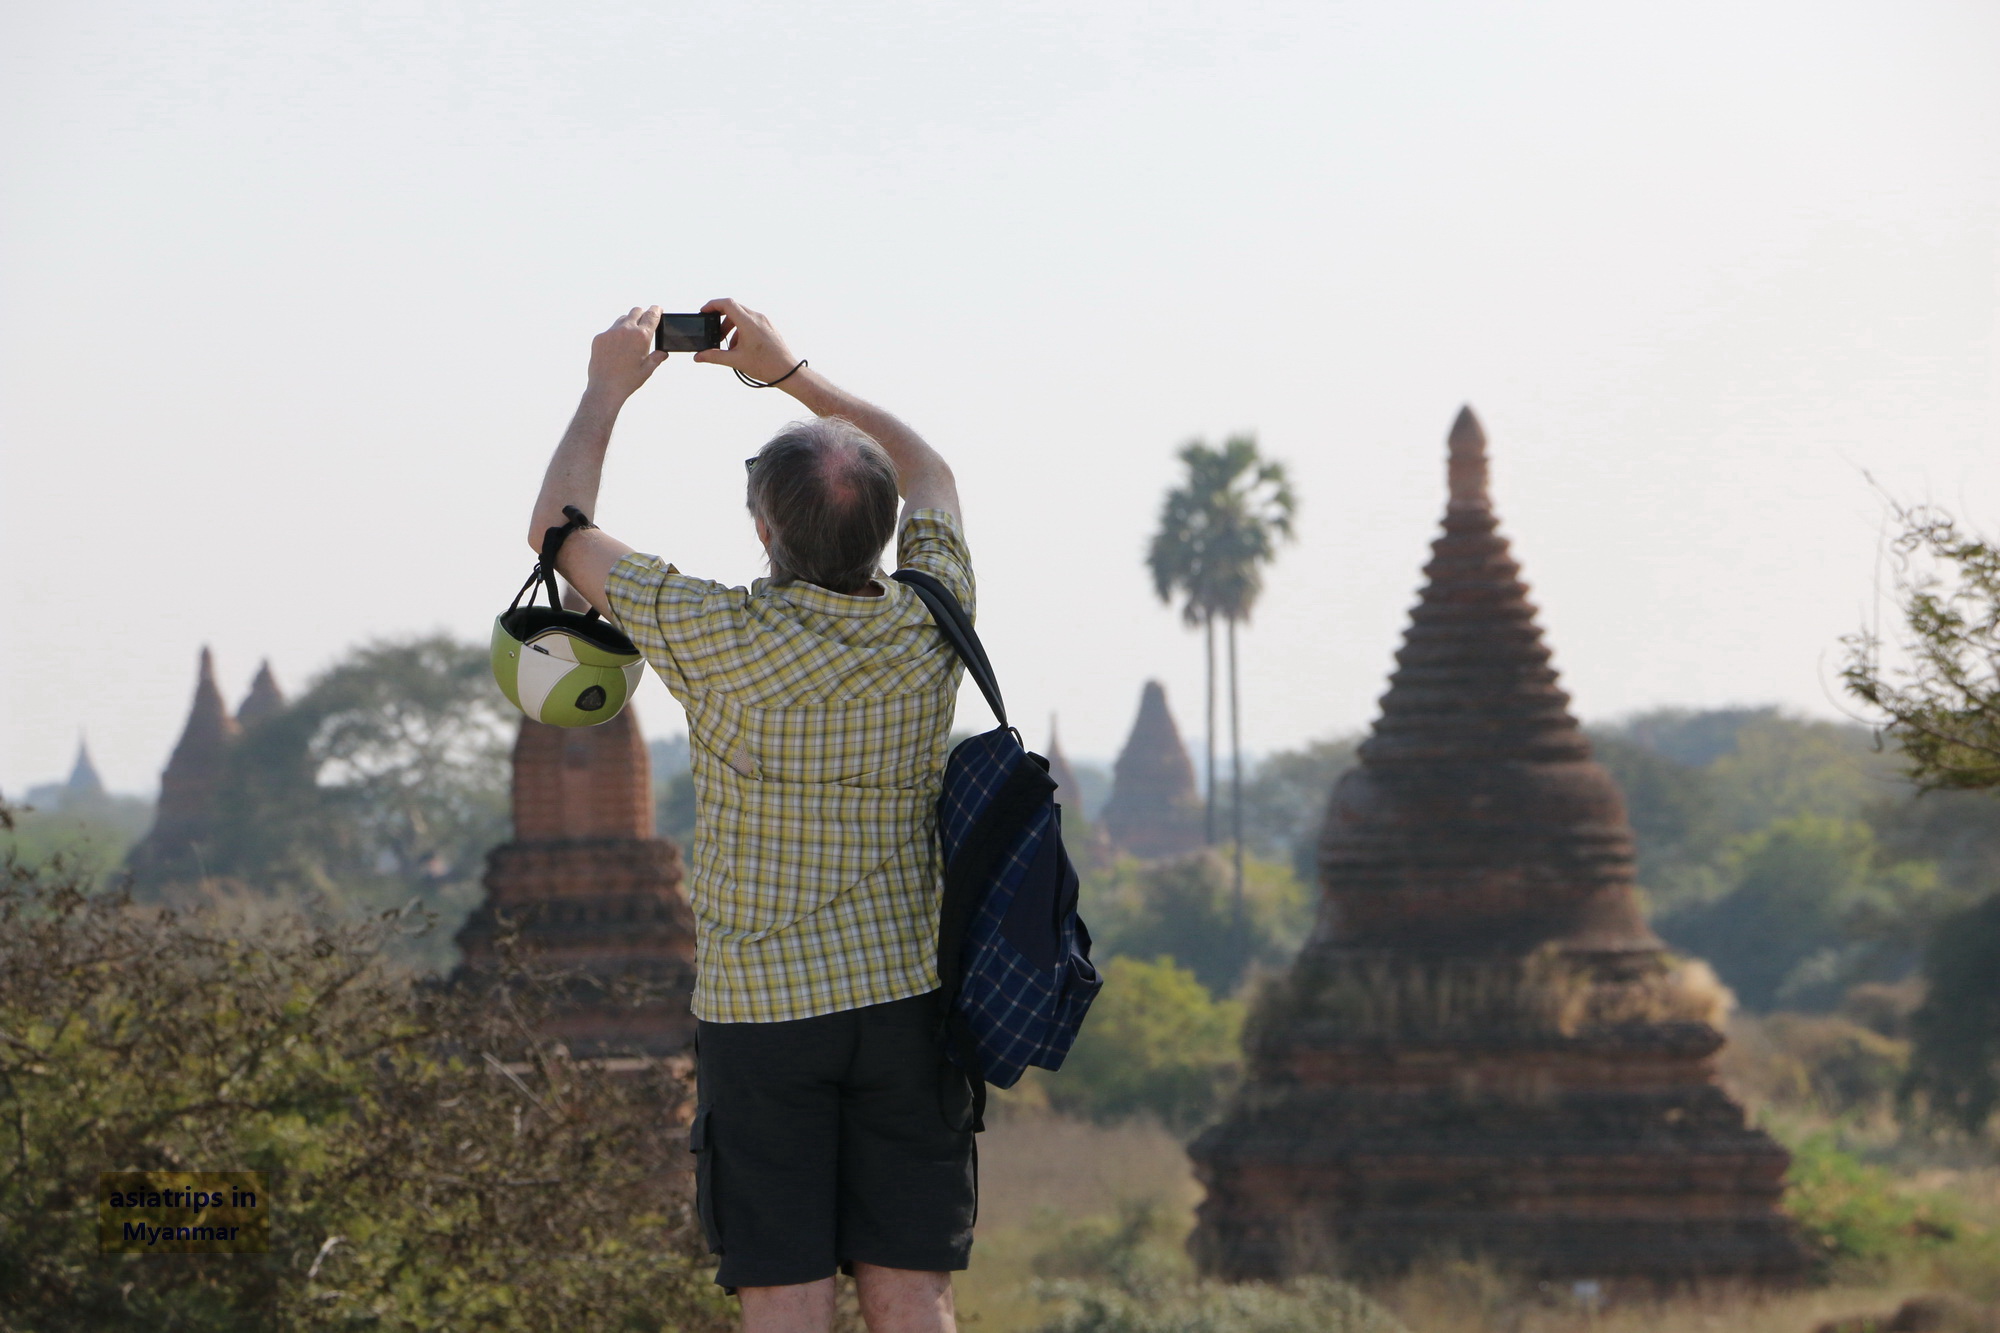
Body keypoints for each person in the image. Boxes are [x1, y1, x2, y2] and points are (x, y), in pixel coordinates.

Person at [529, 301, 973, 1333]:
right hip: (905, 1001)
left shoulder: (713, 631)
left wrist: (607, 388)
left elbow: (557, 529)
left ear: (764, 532)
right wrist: (789, 374)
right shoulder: (930, 619)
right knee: (912, 1287)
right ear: (882, 525)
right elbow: (933, 472)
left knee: (783, 1290)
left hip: (764, 1016)